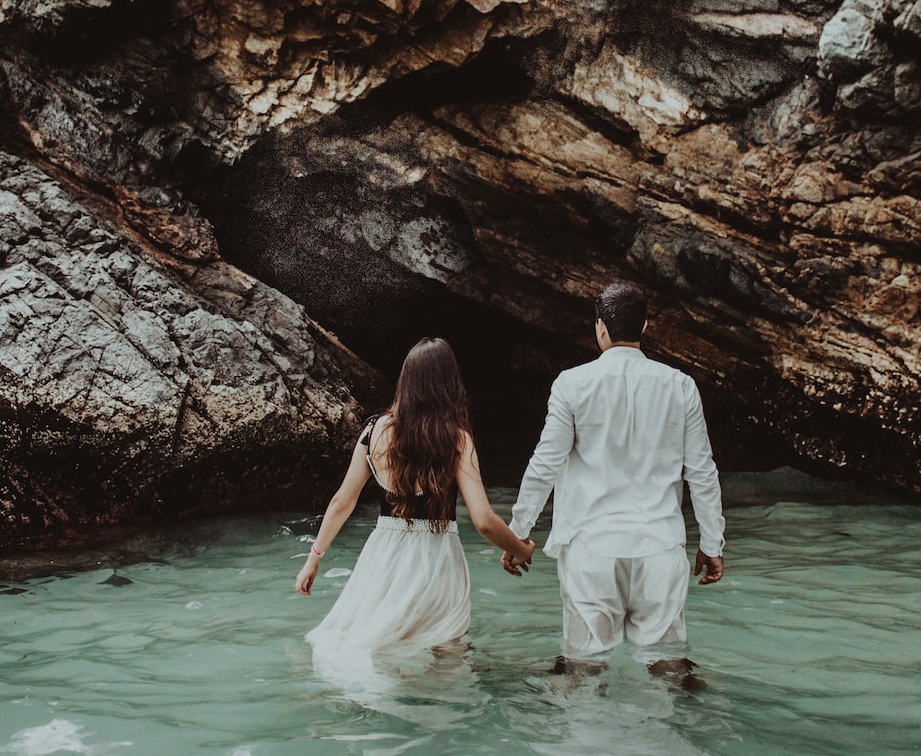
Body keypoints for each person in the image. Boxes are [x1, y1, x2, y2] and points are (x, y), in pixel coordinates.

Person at [504, 282, 725, 676]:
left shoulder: (572, 384)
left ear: (600, 327)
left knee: (582, 668)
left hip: (591, 547)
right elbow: (702, 472)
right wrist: (712, 543)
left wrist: (518, 533)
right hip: (659, 546)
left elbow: (545, 464)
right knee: (669, 668)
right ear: (645, 326)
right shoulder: (681, 386)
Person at [296, 337, 535, 656]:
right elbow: (484, 521)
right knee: (446, 651)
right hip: (437, 558)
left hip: (382, 556)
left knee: (380, 651)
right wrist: (520, 549)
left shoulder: (373, 431)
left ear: (406, 381)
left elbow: (342, 502)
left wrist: (313, 559)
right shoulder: (456, 439)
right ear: (449, 384)